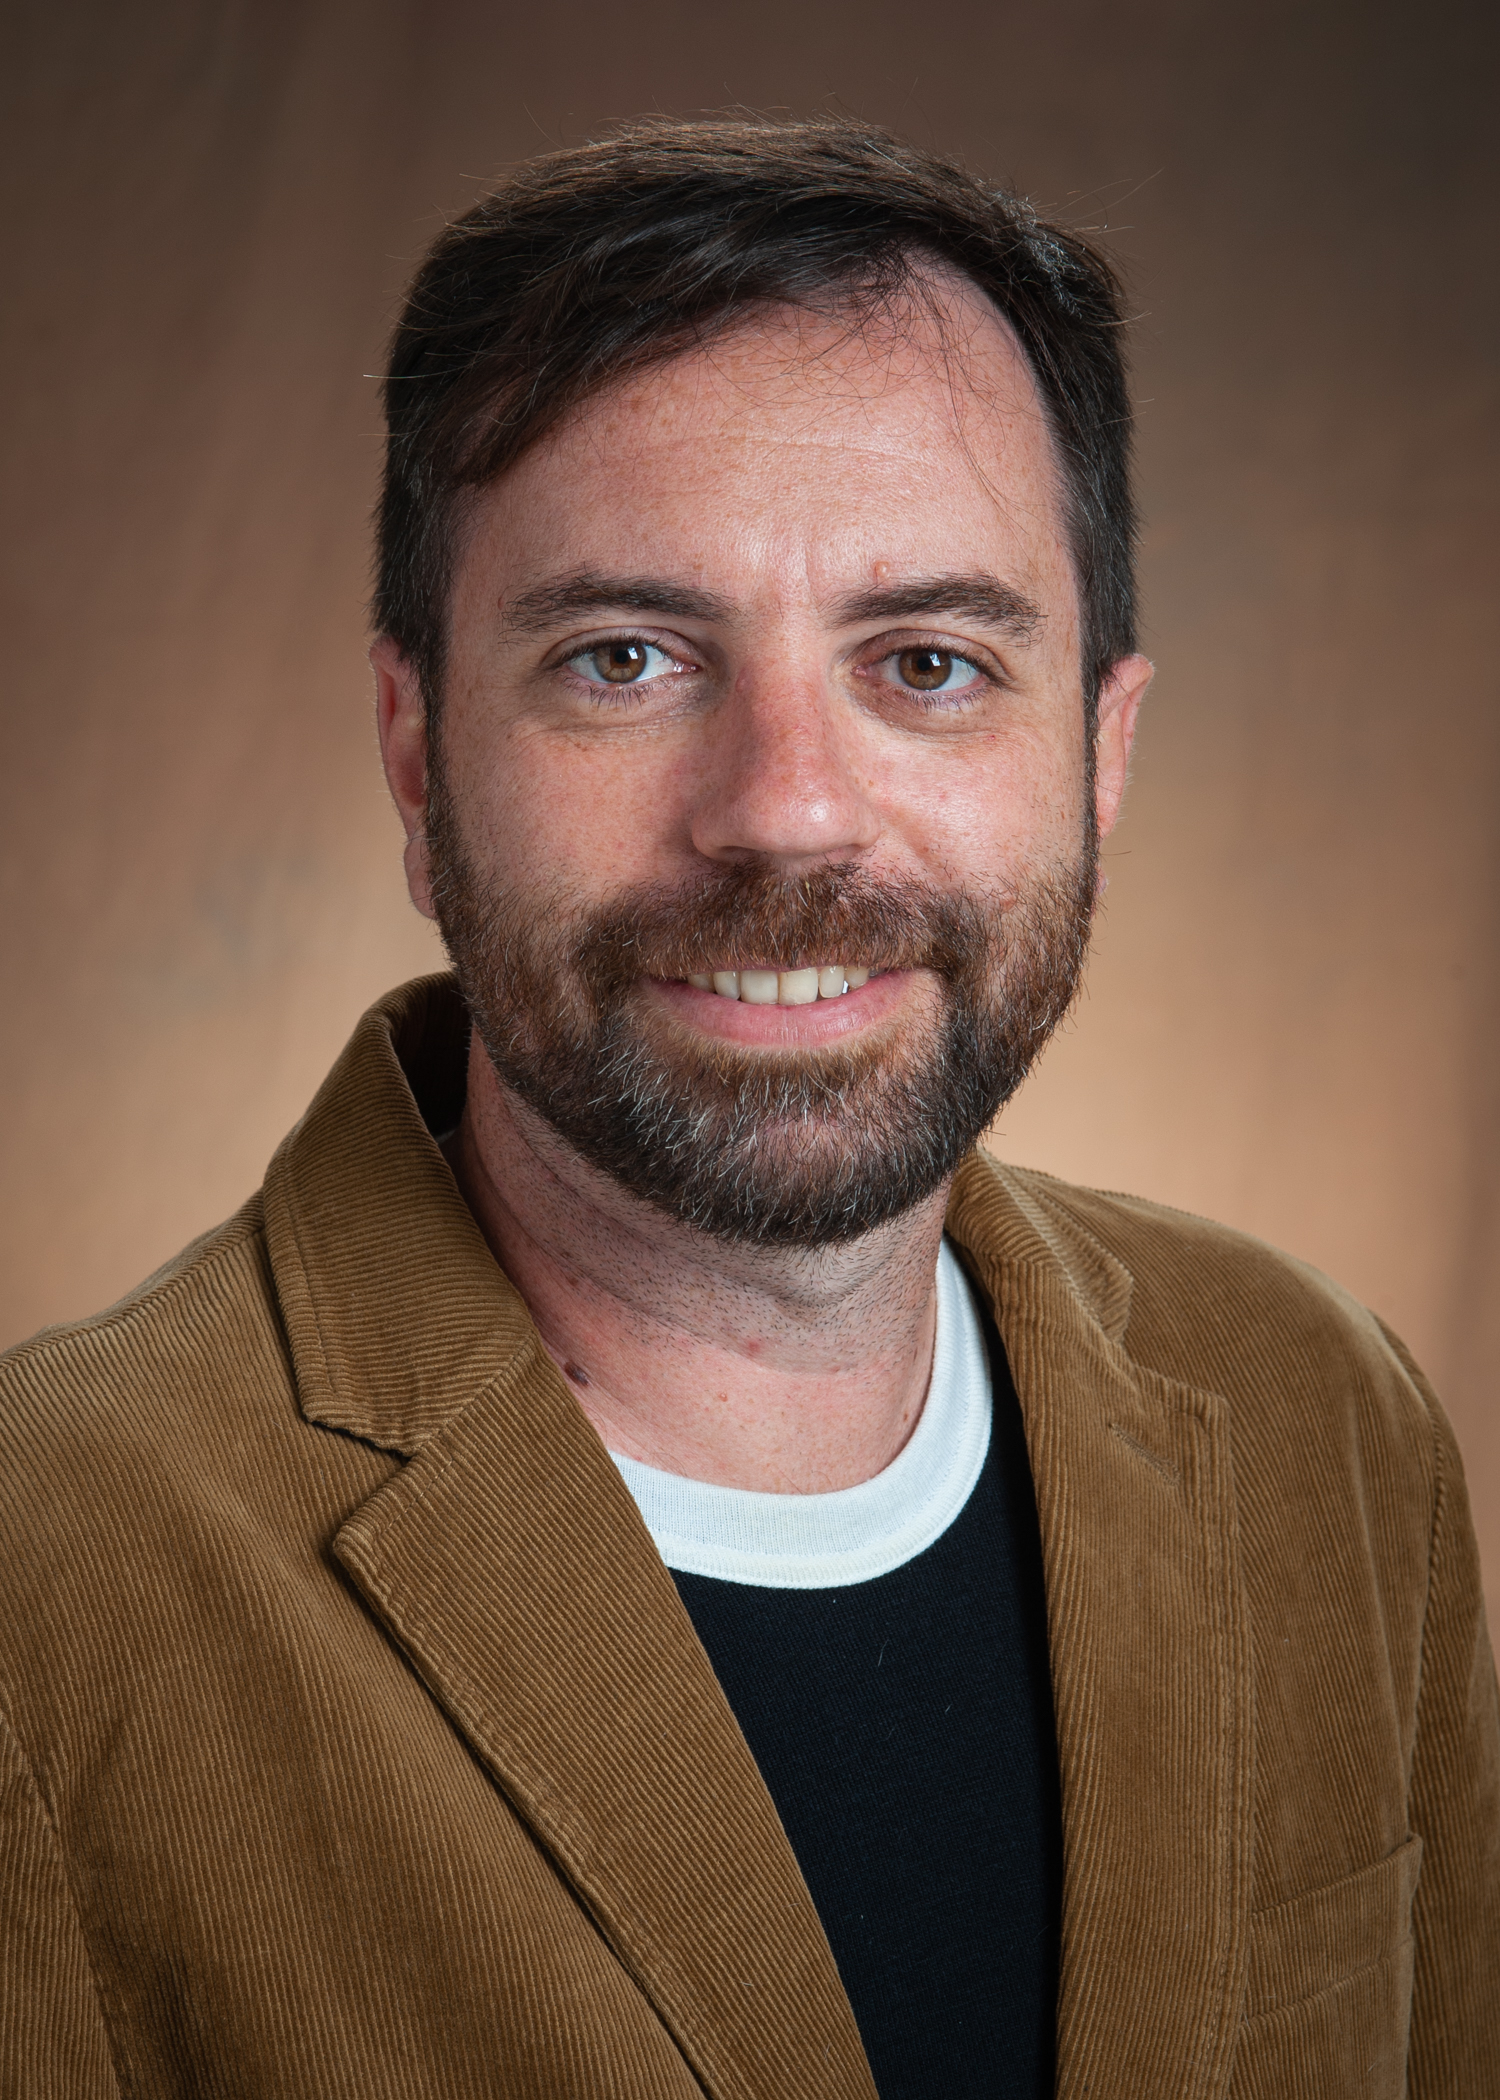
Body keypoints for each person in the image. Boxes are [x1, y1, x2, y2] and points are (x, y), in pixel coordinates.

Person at [0, 116, 1494, 2100]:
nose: (787, 804)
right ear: (417, 750)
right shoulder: (48, 1589)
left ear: (1102, 758)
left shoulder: (1330, 1422)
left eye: (930, 662)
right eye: (626, 658)